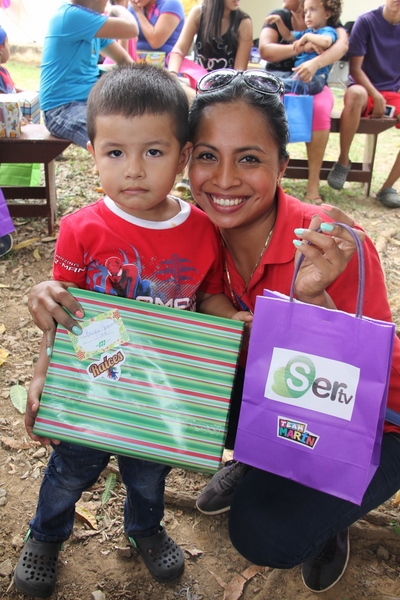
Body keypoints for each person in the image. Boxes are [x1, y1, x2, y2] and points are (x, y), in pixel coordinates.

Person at [26, 68, 400, 595]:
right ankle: (259, 458)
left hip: (370, 419)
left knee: (264, 533)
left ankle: (323, 512)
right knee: (157, 416)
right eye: (208, 155)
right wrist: (50, 334)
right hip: (269, 394)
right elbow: (122, 310)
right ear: (189, 159)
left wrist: (315, 301)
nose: (224, 179)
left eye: (249, 158)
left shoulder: (327, 244)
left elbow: (355, 381)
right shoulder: (200, 235)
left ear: (282, 165)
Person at [13, 64, 251, 598]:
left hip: (158, 393)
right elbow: (61, 313)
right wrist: (43, 373)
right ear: (92, 153)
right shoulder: (80, 229)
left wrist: (228, 318)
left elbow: (209, 295)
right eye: (115, 152)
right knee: (69, 471)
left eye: (154, 151)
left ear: (183, 156)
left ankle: (145, 528)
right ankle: (46, 533)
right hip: (91, 388)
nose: (134, 170)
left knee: (148, 475)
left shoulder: (202, 230)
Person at [259, 0, 348, 202]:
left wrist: (315, 62)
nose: (308, 14)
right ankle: (267, 179)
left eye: (312, 10)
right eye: (307, 11)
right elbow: (267, 50)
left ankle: (313, 184)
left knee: (320, 108)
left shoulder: (327, 25)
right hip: (287, 76)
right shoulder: (281, 16)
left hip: (312, 80)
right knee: (264, 104)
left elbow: (340, 45)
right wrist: (304, 46)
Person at [168, 0, 252, 190]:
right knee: (186, 99)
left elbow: (239, 74)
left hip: (225, 90)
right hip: (195, 85)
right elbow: (179, 50)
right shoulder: (199, 13)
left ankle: (189, 174)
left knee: (200, 106)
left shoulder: (243, 22)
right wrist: (172, 74)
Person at [327, 0, 400, 208]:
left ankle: (387, 187)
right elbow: (355, 69)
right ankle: (343, 160)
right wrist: (376, 95)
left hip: (393, 93)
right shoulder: (366, 21)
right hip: (364, 89)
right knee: (355, 94)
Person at [40, 0, 138, 148]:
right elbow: (131, 29)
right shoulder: (72, 16)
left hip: (92, 103)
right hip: (62, 108)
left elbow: (124, 60)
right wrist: (118, 8)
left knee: (138, 126)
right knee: (112, 141)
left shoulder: (91, 24)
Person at [264, 0, 341, 95]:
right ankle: (265, 82)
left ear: (327, 14)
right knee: (271, 76)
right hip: (298, 74)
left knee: (292, 84)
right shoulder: (308, 32)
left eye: (313, 9)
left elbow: (326, 41)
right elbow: (288, 36)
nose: (307, 15)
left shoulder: (328, 30)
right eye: (305, 11)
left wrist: (307, 37)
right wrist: (279, 22)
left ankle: (271, 86)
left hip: (315, 78)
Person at [0, 25, 22, 93]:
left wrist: (31, 94)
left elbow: (13, 89)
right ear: (1, 49)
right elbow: (3, 97)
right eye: (8, 45)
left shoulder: (3, 70)